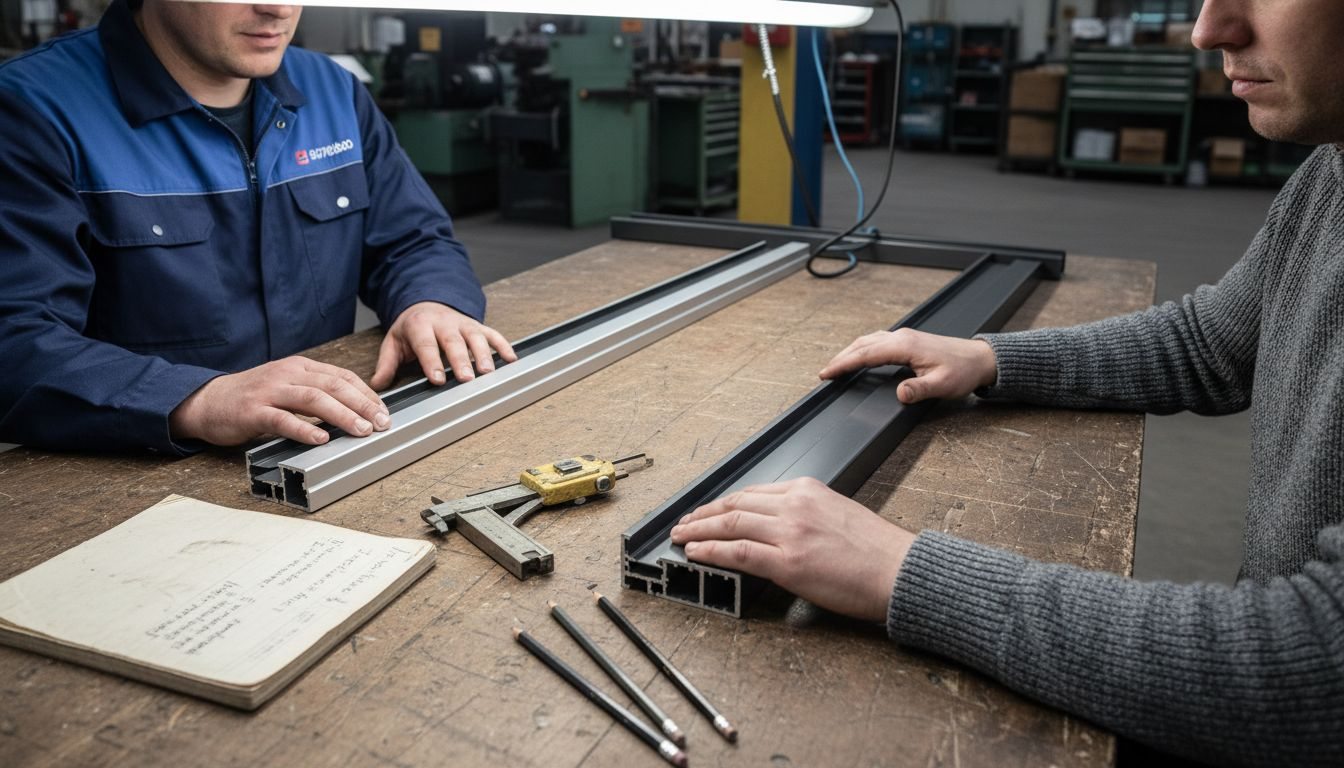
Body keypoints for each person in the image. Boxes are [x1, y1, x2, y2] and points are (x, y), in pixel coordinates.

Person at [671, 0, 1344, 765]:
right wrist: (992, 359)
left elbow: (1318, 665)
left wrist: (897, 570)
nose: (1209, 29)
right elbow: (1210, 342)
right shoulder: (1330, 174)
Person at [0, 0, 515, 454]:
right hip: (141, 476)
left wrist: (429, 300)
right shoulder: (33, 110)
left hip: (326, 448)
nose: (278, 8)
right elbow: (15, 337)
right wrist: (195, 400)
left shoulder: (332, 92)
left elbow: (413, 237)